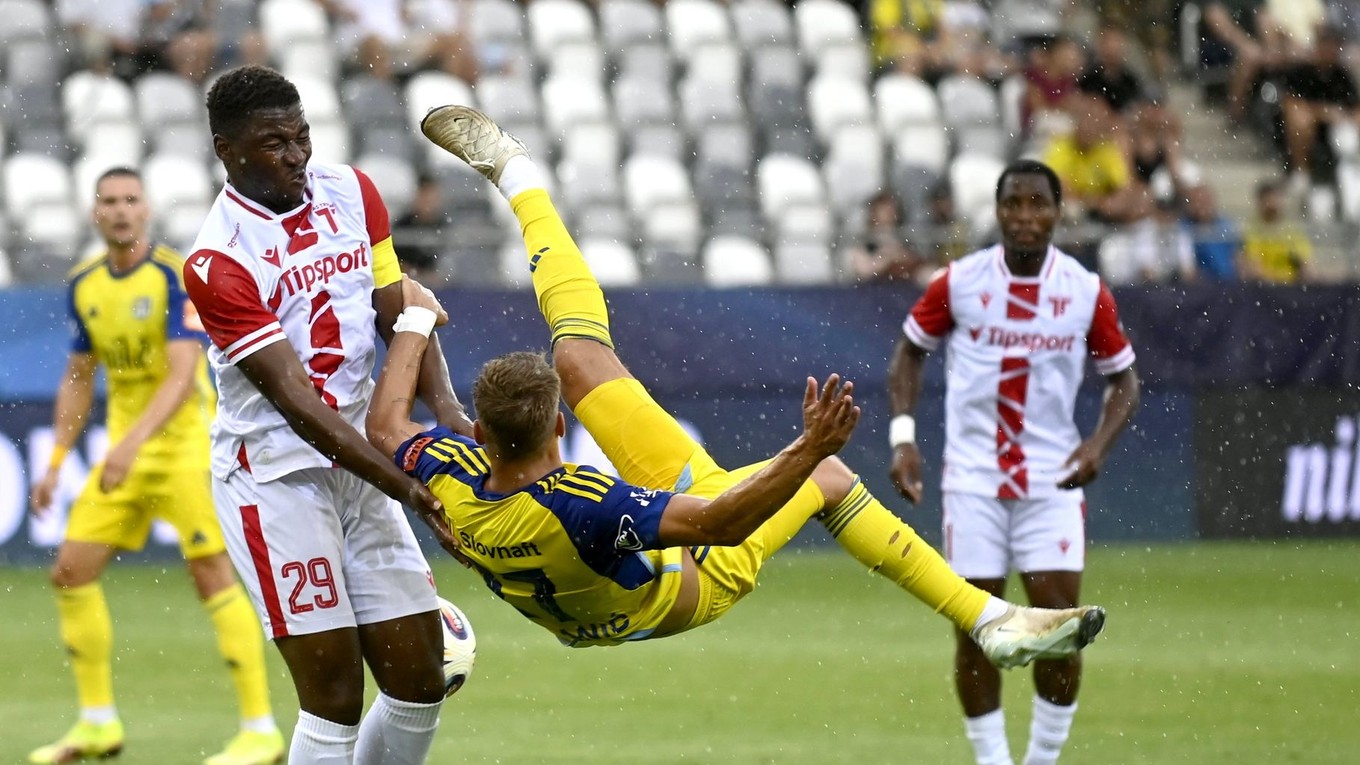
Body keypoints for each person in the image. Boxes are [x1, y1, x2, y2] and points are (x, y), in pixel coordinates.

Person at [364, 106, 1108, 676]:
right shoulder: (588, 503)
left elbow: (384, 423)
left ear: (481, 436)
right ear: (557, 426)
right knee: (825, 475)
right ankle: (988, 619)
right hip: (694, 582)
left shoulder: (451, 476)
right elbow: (721, 522)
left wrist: (407, 304)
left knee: (585, 359)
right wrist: (810, 445)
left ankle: (511, 170)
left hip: (579, 603)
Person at [179, 65, 474, 765]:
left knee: (419, 677)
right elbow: (298, 404)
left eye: (302, 135)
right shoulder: (217, 260)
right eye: (275, 142)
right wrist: (410, 484)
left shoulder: (352, 190)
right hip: (279, 478)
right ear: (229, 150)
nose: (296, 155)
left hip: (361, 468)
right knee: (334, 693)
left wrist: (452, 416)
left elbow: (397, 305)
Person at [27, 167, 284, 765]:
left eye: (130, 201)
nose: (120, 211)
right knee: (71, 571)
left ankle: (260, 730)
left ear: (146, 211)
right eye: (109, 202)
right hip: (126, 455)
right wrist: (58, 460)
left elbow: (178, 375)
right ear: (95, 214)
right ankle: (96, 724)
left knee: (212, 577)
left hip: (185, 449)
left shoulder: (173, 274)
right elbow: (78, 376)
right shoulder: (84, 284)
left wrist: (129, 443)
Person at [888, 159, 1141, 765]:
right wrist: (903, 437)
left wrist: (1096, 445)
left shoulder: (1083, 291)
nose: (1025, 217)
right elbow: (908, 354)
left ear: (1058, 212)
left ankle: (1041, 761)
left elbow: (1125, 382)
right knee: (978, 633)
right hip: (973, 482)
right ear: (998, 211)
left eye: (1038, 204)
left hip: (1051, 482)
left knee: (1057, 634)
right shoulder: (960, 282)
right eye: (1013, 204)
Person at [1240, 178, 1315, 283]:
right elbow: (1255, 270)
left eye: (1275, 199)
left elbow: (1305, 264)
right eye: (1268, 200)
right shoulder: (1252, 231)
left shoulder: (1291, 231)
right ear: (1259, 202)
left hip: (1292, 287)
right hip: (1265, 290)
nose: (1272, 204)